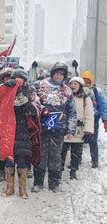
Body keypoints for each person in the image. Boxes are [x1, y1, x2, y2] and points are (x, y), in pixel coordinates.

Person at [32, 63, 77, 193]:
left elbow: (72, 112)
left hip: (58, 129)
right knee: (41, 156)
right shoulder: (40, 84)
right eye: (57, 73)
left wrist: (70, 130)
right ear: (52, 73)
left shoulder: (67, 90)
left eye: (62, 74)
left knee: (56, 157)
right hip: (42, 128)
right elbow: (30, 97)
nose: (59, 76)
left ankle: (54, 184)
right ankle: (38, 183)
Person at [2, 69, 38, 199]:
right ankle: (9, 188)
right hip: (8, 129)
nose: (18, 80)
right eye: (15, 78)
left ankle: (22, 189)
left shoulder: (30, 92)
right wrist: (8, 89)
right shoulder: (5, 89)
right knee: (9, 159)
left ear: (24, 80)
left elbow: (34, 110)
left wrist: (22, 96)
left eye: (20, 78)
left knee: (22, 159)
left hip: (23, 130)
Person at [61, 77, 94, 180]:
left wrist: (88, 131)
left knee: (76, 152)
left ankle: (73, 171)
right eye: (71, 83)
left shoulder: (85, 98)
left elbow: (89, 115)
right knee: (62, 150)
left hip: (79, 129)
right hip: (66, 127)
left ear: (80, 85)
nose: (73, 85)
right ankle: (59, 170)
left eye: (76, 84)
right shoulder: (64, 96)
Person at [80, 70, 107, 168]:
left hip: (93, 119)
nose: (86, 83)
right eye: (84, 81)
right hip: (80, 119)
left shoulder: (96, 91)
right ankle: (77, 160)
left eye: (88, 81)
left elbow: (103, 106)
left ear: (91, 81)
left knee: (93, 140)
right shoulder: (78, 90)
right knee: (78, 141)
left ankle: (95, 161)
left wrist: (105, 120)